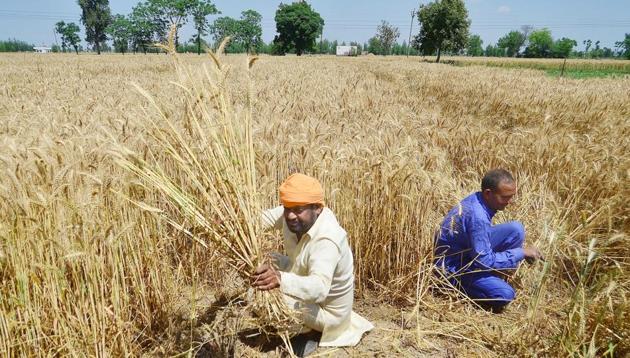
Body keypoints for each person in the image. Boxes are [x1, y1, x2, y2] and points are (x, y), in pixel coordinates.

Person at [251, 173, 373, 356]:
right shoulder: (293, 214)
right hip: (305, 282)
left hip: (327, 314)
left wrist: (279, 279)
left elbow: (319, 288)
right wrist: (235, 222)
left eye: (298, 209)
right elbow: (259, 220)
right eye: (287, 208)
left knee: (267, 295)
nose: (290, 215)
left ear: (317, 208)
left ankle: (311, 333)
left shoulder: (328, 238)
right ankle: (301, 328)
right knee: (262, 261)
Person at [434, 169, 543, 311]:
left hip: (467, 250)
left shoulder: (478, 200)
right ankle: (458, 284)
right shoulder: (478, 217)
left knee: (516, 229)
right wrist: (520, 252)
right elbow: (483, 260)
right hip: (452, 266)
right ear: (488, 193)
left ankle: (493, 277)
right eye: (505, 197)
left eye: (512, 196)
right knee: (505, 294)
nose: (510, 202)